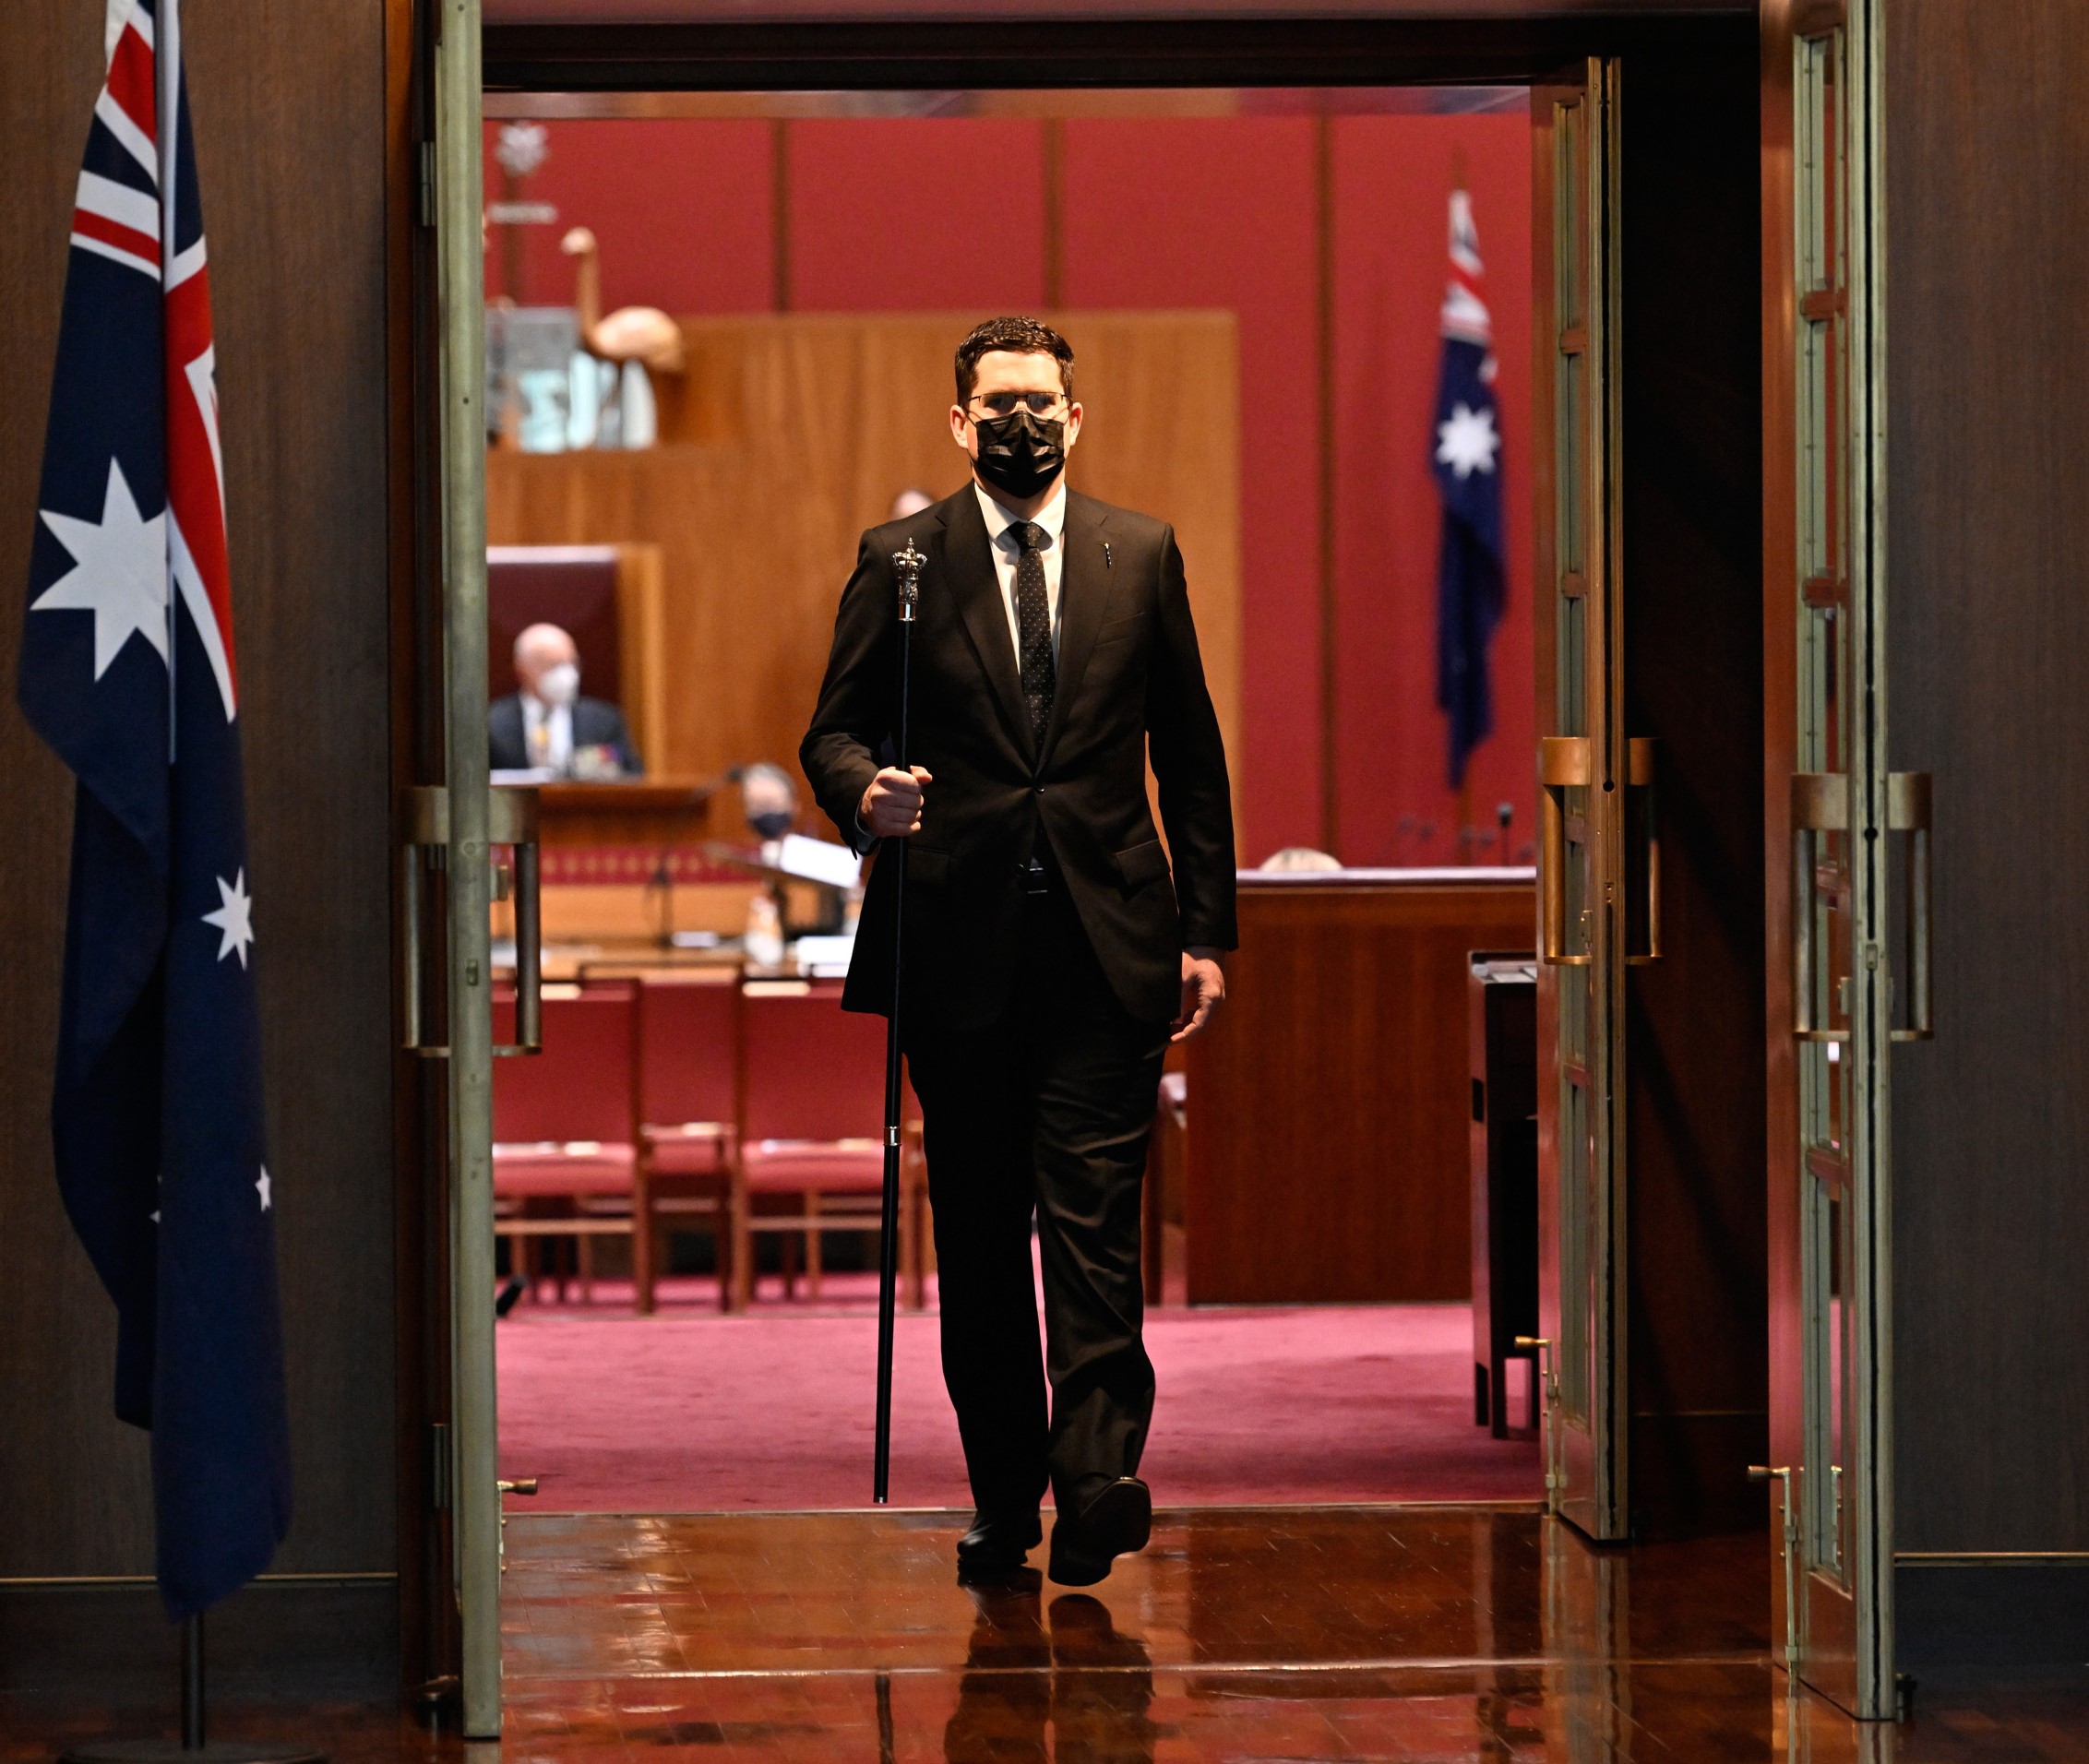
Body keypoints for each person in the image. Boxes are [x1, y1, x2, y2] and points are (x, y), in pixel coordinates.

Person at [802, 316, 1235, 1587]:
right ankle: (1008, 1497)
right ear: (959, 421)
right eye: (998, 403)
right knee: (985, 1240)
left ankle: (1098, 1478)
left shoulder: (1139, 555)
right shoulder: (902, 563)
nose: (1022, 422)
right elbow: (829, 734)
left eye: (1042, 401)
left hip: (1110, 946)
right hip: (956, 948)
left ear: (1077, 414)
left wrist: (1207, 931)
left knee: (1098, 1225)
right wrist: (864, 793)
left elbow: (1191, 760)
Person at [489, 622, 642, 777]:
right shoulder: (491, 723)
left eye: (571, 663)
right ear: (521, 669)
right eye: (553, 664)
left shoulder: (604, 721)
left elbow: (632, 777)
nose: (566, 674)